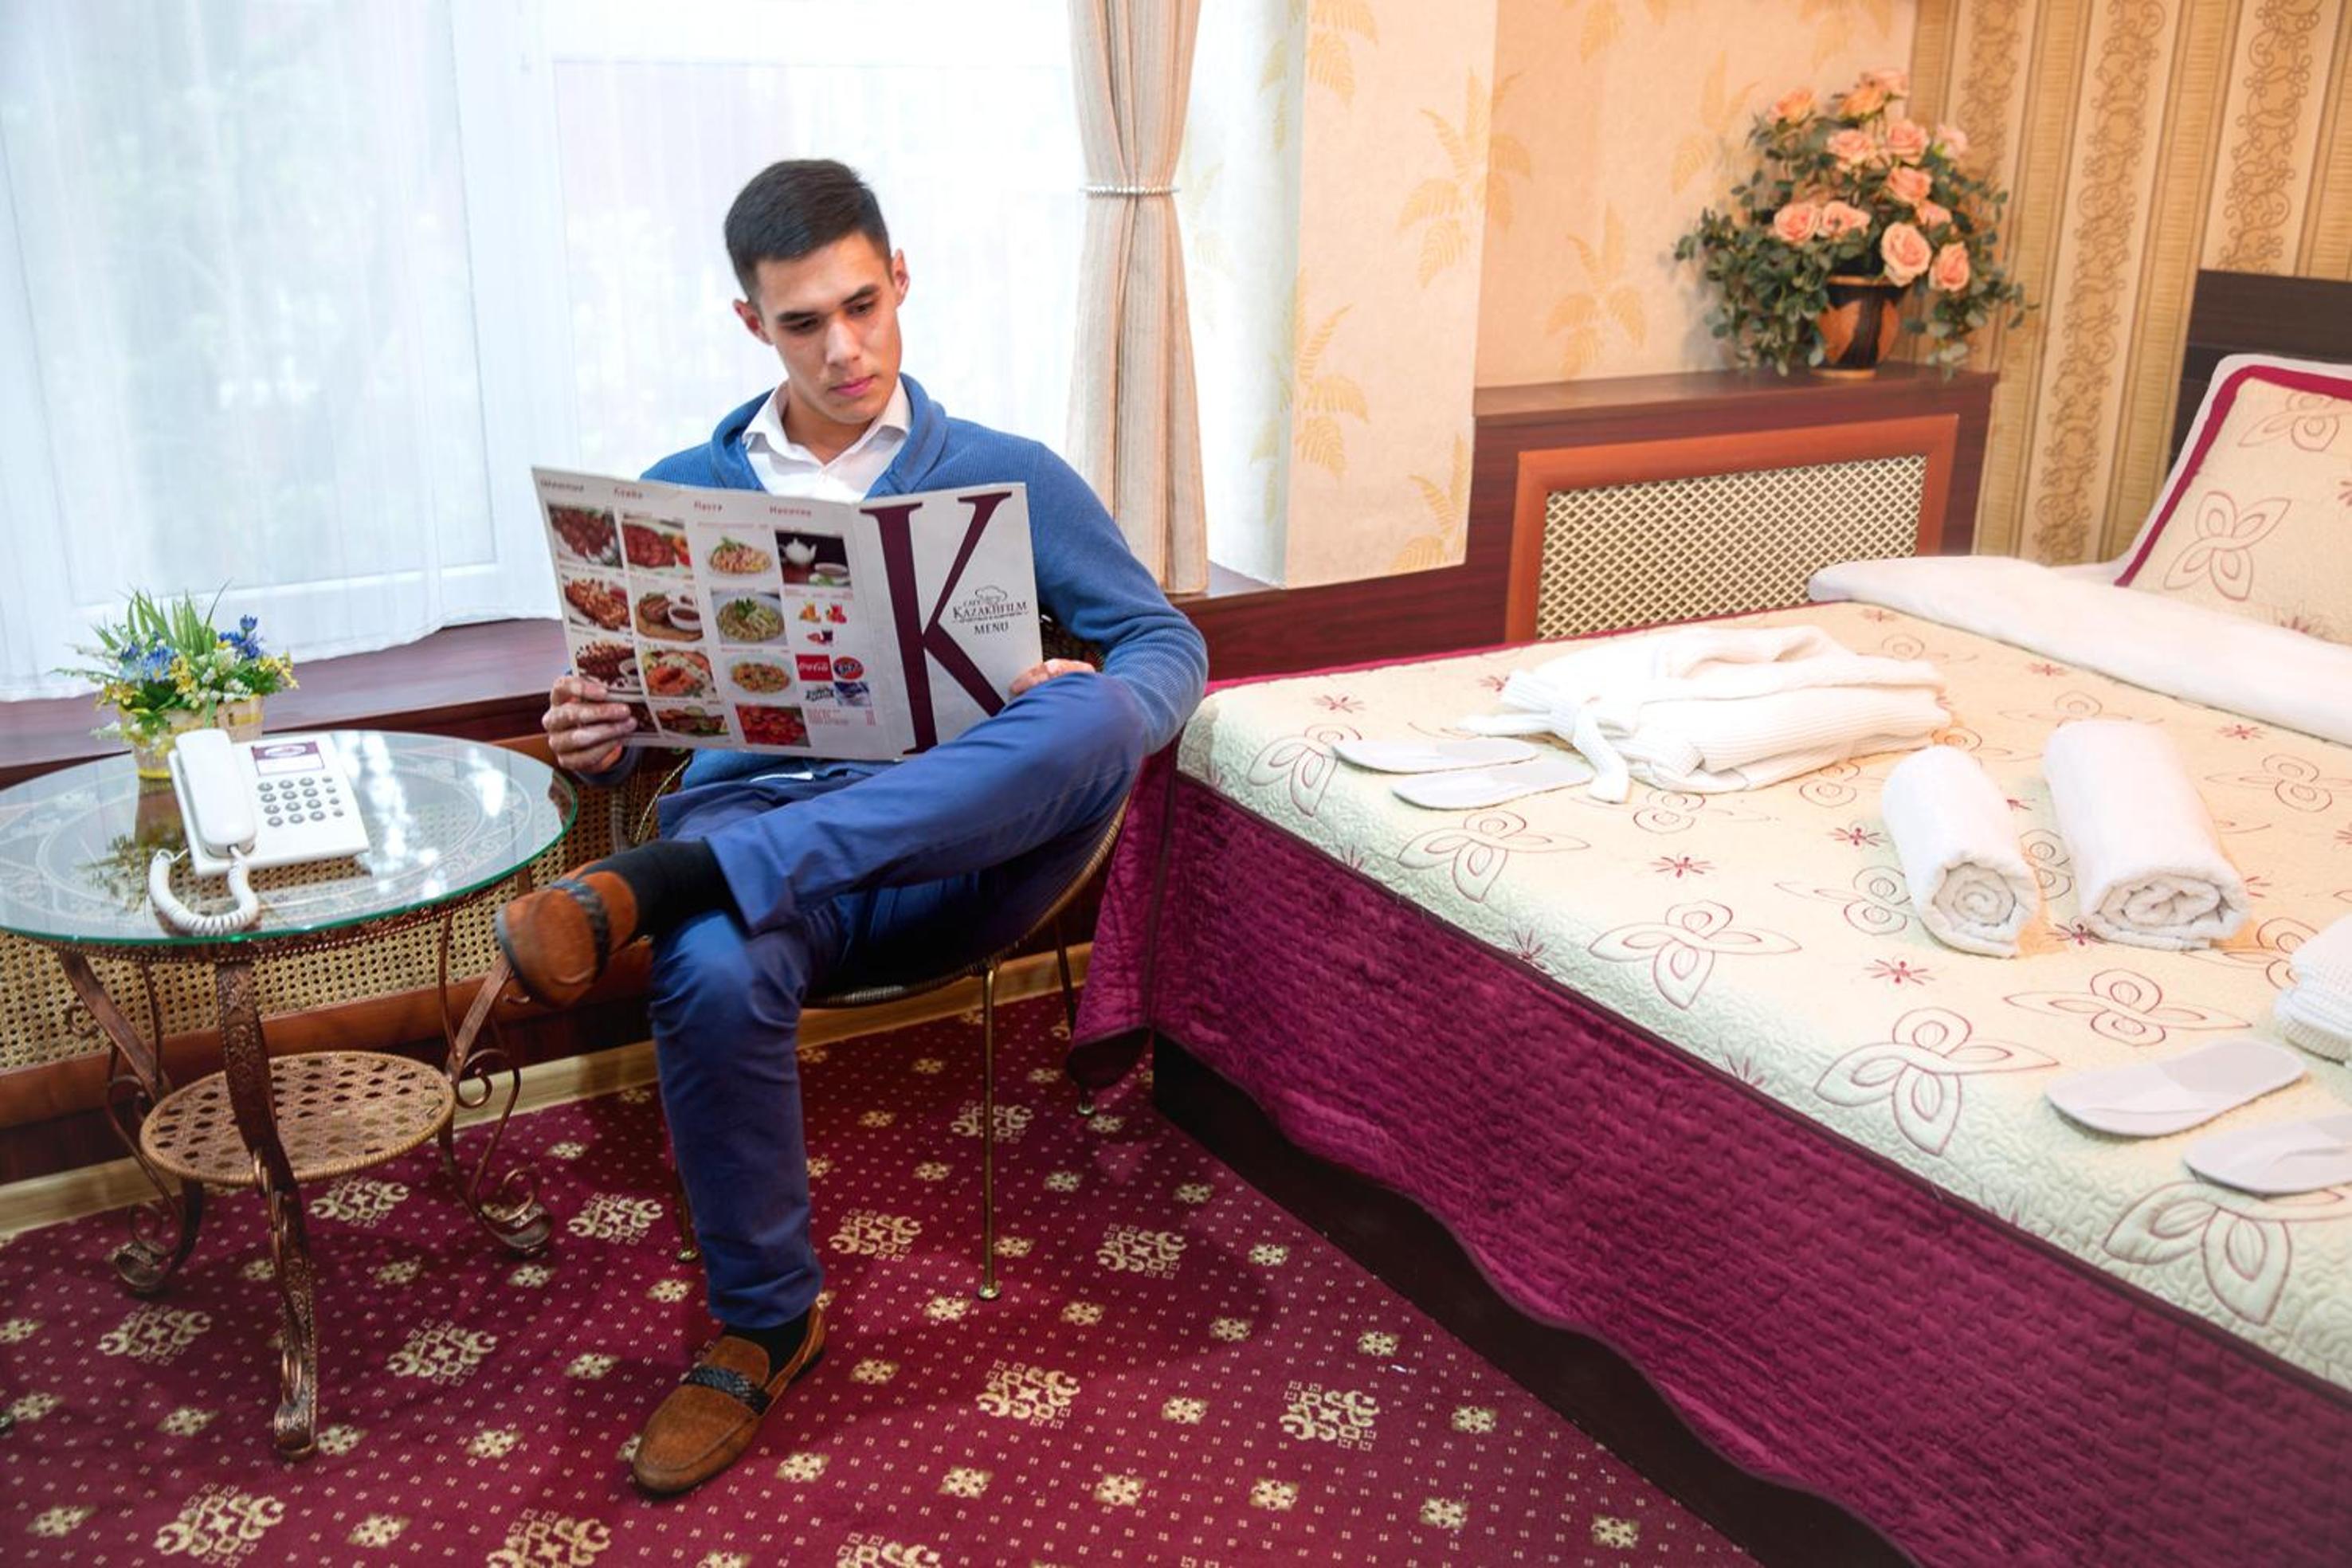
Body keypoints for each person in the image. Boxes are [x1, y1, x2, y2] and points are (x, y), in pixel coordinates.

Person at [495, 159, 1207, 1495]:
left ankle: (677, 876)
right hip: (765, 829)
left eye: (863, 306)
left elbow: (1167, 646)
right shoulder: (682, 490)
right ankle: (767, 1326)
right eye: (803, 322)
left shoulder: (1010, 474)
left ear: (901, 281)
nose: (845, 349)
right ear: (750, 323)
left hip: (961, 856)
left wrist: (1089, 686)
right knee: (713, 964)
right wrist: (599, 733)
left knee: (1096, 713)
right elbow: (636, 713)